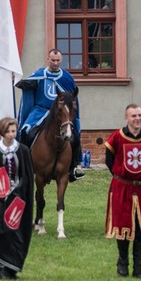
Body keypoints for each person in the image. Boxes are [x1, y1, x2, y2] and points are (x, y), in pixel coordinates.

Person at [104, 104, 141, 278]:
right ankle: (123, 263)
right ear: (126, 118)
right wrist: (122, 177)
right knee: (123, 226)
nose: (137, 119)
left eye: (139, 115)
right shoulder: (117, 137)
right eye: (133, 116)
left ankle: (138, 268)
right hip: (122, 187)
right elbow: (109, 161)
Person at [0, 117, 34, 280]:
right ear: (2, 132)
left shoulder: (23, 150)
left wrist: (17, 191)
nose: (11, 134)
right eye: (8, 131)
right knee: (0, 230)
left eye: (13, 131)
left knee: (16, 232)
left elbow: (27, 176)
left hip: (18, 199)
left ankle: (11, 269)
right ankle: (2, 265)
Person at [17, 48, 83, 181]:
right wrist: (19, 82)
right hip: (40, 111)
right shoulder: (39, 74)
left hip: (60, 113)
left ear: (61, 60)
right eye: (53, 60)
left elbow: (72, 97)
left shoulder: (66, 78)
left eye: (58, 60)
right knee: (25, 130)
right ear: (48, 59)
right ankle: (22, 164)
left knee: (74, 134)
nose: (55, 63)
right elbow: (29, 85)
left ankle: (75, 167)